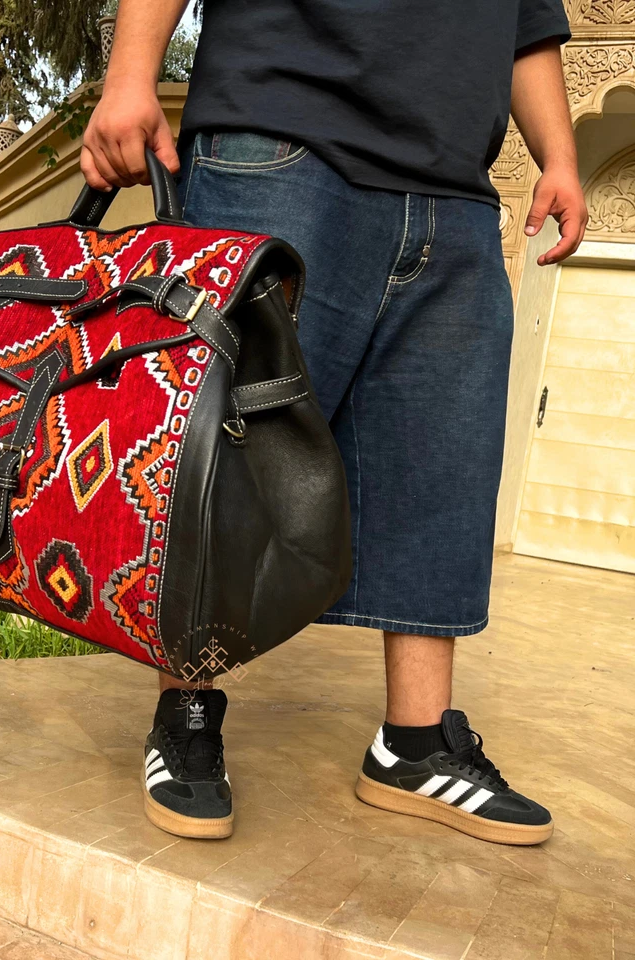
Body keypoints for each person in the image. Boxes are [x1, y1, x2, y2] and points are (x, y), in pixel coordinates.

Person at [81, 0, 587, 844]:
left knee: (441, 462)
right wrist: (132, 73)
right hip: (280, 141)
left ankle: (415, 744)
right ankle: (187, 710)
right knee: (232, 442)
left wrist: (560, 155)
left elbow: (526, 22)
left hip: (453, 187)